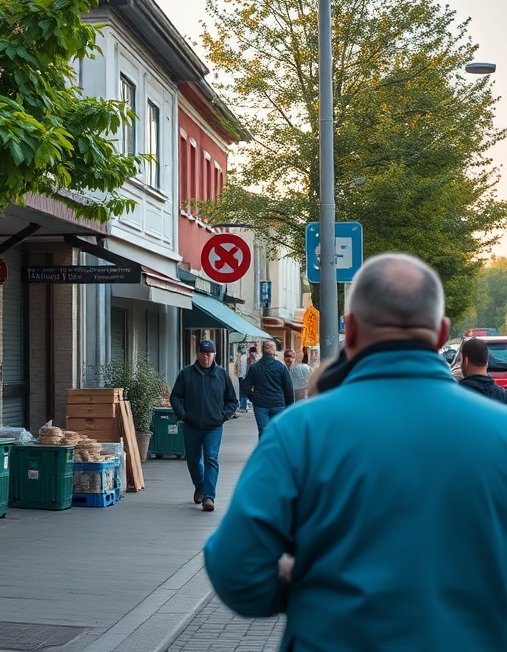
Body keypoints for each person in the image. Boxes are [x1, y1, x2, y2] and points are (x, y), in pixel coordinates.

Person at [204, 253, 507, 651]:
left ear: (351, 331)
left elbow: (235, 569)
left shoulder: (300, 432)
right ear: (440, 333)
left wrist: (305, 590)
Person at [169, 339, 238, 512]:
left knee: (211, 458)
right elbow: (175, 396)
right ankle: (200, 485)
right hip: (191, 426)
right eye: (203, 353)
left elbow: (232, 400)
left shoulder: (222, 374)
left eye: (209, 353)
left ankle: (209, 497)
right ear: (198, 354)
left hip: (214, 427)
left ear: (214, 354)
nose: (206, 356)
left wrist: (224, 416)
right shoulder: (186, 374)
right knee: (193, 461)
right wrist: (183, 415)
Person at [244, 339, 294, 438]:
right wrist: (289, 406)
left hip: (260, 404)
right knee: (277, 431)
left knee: (263, 431)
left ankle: (264, 451)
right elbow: (288, 388)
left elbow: (246, 386)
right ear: (274, 350)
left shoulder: (254, 367)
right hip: (278, 403)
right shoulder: (281, 367)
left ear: (262, 350)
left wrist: (253, 398)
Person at [457, 336, 507, 403]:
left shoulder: (456, 394)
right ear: (486, 362)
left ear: (466, 361)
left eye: (461, 360)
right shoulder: (502, 395)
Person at [237, 345, 257, 413]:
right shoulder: (244, 358)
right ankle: (243, 406)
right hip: (243, 377)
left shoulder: (253, 358)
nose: (254, 354)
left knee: (245, 392)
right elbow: (242, 368)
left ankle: (244, 406)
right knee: (243, 392)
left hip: (245, 377)